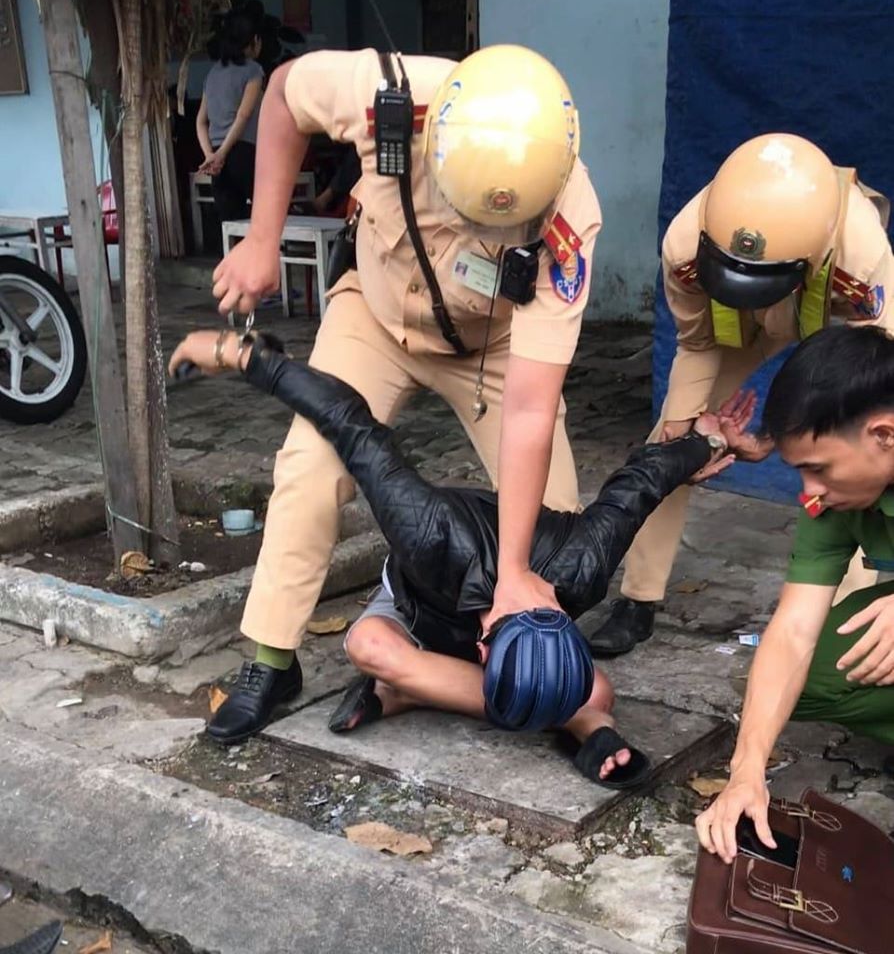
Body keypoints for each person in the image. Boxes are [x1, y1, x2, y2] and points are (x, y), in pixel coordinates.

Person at [205, 45, 606, 744]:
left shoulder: (571, 218)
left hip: (493, 344)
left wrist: (514, 571)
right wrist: (263, 238)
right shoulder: (387, 92)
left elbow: (532, 406)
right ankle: (272, 658)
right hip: (377, 313)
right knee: (309, 465)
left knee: (557, 530)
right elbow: (280, 96)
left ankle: (463, 660)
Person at [168, 326, 748, 783]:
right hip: (418, 603)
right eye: (487, 662)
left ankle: (412, 695)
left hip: (491, 349)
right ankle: (573, 722)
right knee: (367, 644)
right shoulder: (429, 532)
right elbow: (350, 423)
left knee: (598, 688)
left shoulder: (582, 567)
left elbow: (642, 481)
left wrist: (713, 439)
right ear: (482, 647)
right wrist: (243, 355)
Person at [591, 133, 894, 657]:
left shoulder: (862, 259)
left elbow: (872, 386)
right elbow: (697, 342)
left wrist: (779, 435)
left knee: (854, 460)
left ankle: (845, 616)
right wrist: (687, 434)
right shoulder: (686, 246)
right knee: (670, 445)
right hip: (733, 327)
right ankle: (637, 597)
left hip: (835, 324)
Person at [695, 325, 894, 863]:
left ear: (884, 435)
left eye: (818, 468)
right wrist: (745, 772)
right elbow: (793, 630)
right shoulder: (832, 501)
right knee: (802, 682)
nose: (808, 491)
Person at [196, 11, 264, 223]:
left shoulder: (213, 73)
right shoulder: (253, 71)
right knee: (264, 217)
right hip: (243, 153)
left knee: (231, 225)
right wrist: (223, 153)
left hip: (216, 160)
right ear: (253, 41)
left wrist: (210, 155)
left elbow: (200, 121)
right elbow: (243, 116)